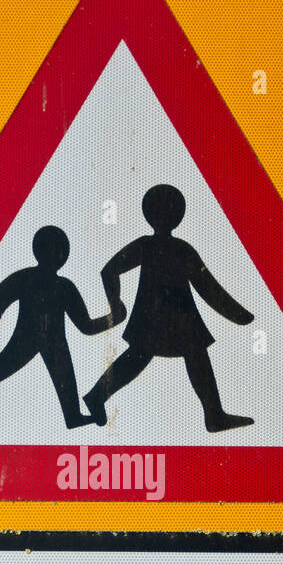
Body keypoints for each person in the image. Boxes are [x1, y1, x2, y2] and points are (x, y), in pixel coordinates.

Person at [83, 184, 254, 432]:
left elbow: (207, 286)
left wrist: (237, 314)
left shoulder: (161, 247)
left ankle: (214, 415)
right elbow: (208, 288)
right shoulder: (173, 248)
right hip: (170, 316)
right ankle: (214, 415)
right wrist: (236, 313)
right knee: (169, 356)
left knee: (156, 356)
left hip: (169, 315)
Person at [0, 225, 123, 428]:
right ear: (39, 251)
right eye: (52, 250)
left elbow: (85, 326)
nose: (57, 256)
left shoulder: (64, 286)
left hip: (54, 341)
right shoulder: (29, 279)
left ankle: (72, 415)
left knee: (63, 376)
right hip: (28, 337)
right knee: (1, 369)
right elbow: (0, 300)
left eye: (60, 251)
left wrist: (112, 319)